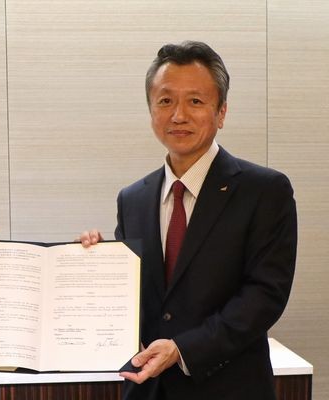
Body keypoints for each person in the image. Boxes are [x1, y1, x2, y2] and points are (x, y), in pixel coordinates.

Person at [80, 41, 297, 400]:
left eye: (195, 101)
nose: (178, 115)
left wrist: (183, 350)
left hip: (229, 389)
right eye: (165, 101)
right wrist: (93, 267)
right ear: (151, 111)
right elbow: (134, 301)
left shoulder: (264, 190)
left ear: (221, 112)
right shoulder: (132, 199)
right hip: (148, 390)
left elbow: (264, 296)